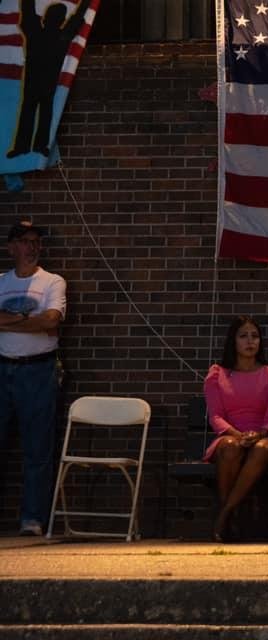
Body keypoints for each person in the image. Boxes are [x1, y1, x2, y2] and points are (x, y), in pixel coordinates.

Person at [0, 220, 66, 536]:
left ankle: (33, 518)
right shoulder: (1, 281)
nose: (32, 247)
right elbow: (40, 322)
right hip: (3, 367)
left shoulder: (52, 282)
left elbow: (51, 321)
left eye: (36, 241)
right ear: (11, 247)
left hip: (39, 369)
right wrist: (30, 319)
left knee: (38, 447)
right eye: (25, 241)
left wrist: (7, 321)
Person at [203, 315, 268, 542]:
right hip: (230, 436)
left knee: (262, 448)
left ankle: (224, 515)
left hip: (262, 436)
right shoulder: (217, 374)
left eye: (255, 336)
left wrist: (258, 434)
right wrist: (239, 435)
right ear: (233, 341)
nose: (250, 341)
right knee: (230, 446)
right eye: (243, 336)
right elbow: (216, 416)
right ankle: (233, 519)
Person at [7, 0, 93, 158]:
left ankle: (23, 146)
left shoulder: (35, 32)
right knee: (44, 113)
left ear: (44, 18)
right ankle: (39, 145)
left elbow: (28, 10)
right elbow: (78, 16)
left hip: (34, 83)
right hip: (47, 84)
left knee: (29, 112)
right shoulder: (63, 36)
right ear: (61, 20)